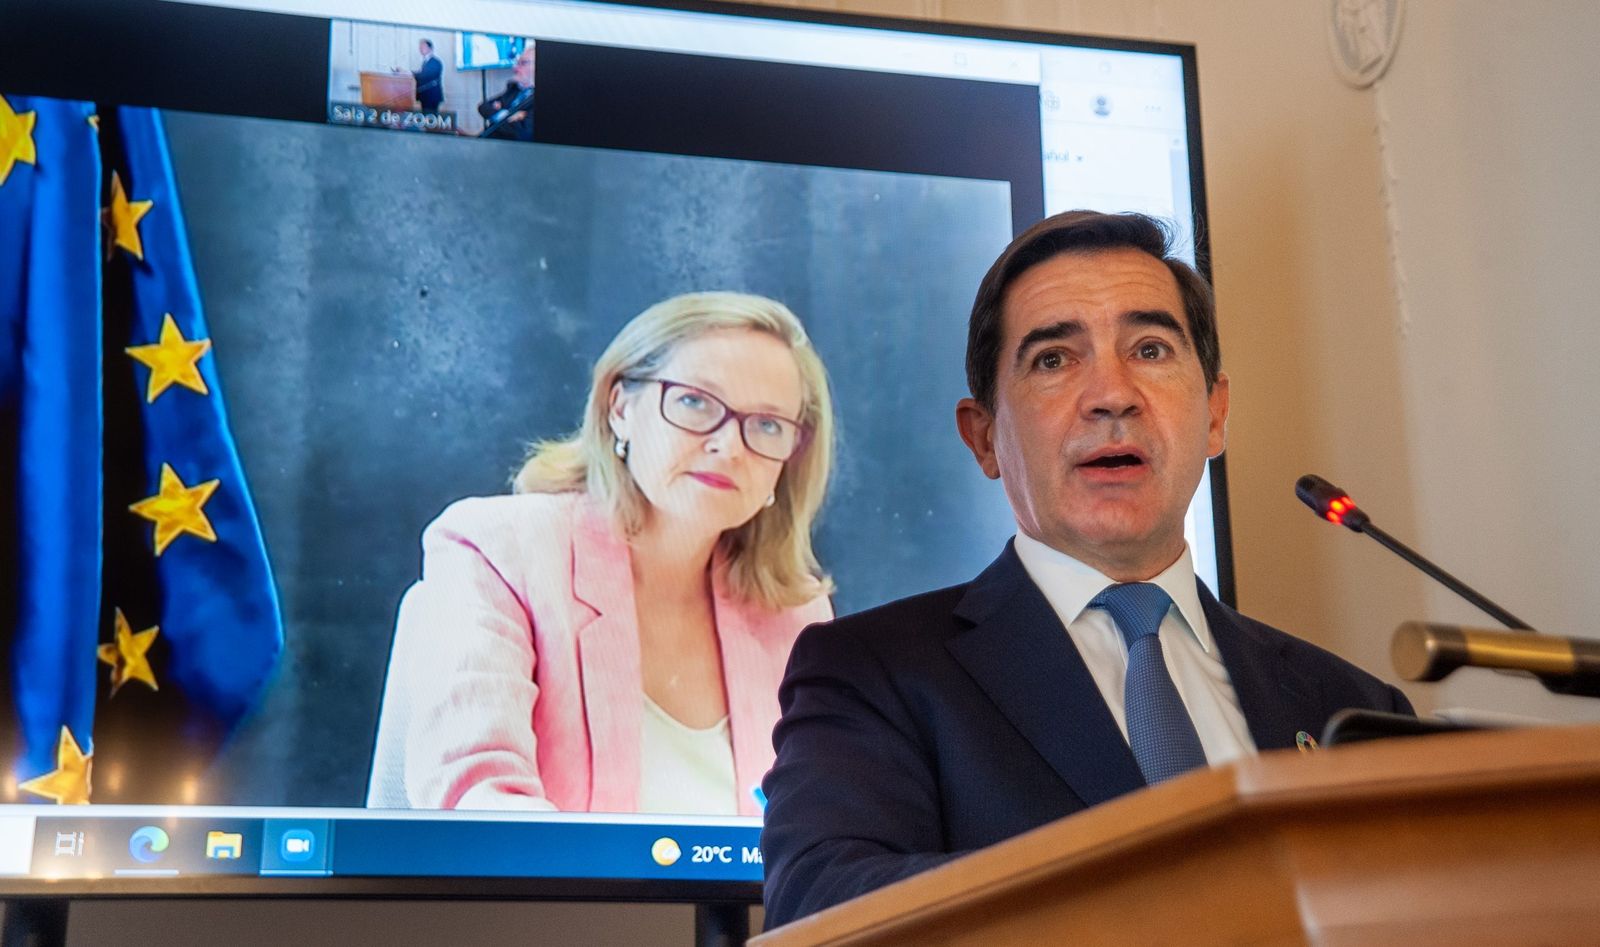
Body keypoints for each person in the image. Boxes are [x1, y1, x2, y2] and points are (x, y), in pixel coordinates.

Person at [760, 211, 1414, 925]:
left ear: (1217, 413)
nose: (1113, 393)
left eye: (1152, 349)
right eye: (1054, 359)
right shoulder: (873, 674)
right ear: (984, 438)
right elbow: (822, 903)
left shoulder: (1353, 707)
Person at [385, 292, 836, 817]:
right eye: (695, 402)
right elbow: (478, 803)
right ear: (619, 407)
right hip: (550, 900)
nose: (730, 445)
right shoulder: (498, 550)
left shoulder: (796, 616)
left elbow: (818, 832)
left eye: (766, 425)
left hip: (756, 904)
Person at [477, 44, 535, 141]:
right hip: (487, 142)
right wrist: (508, 115)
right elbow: (484, 106)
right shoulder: (514, 89)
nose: (515, 68)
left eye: (523, 63)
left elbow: (522, 133)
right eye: (517, 63)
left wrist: (496, 115)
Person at [412, 39, 443, 113]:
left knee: (430, 119)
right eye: (420, 47)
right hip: (425, 96)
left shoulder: (435, 62)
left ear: (430, 48)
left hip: (432, 96)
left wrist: (410, 73)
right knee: (426, 119)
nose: (421, 49)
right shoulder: (425, 62)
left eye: (423, 47)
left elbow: (425, 75)